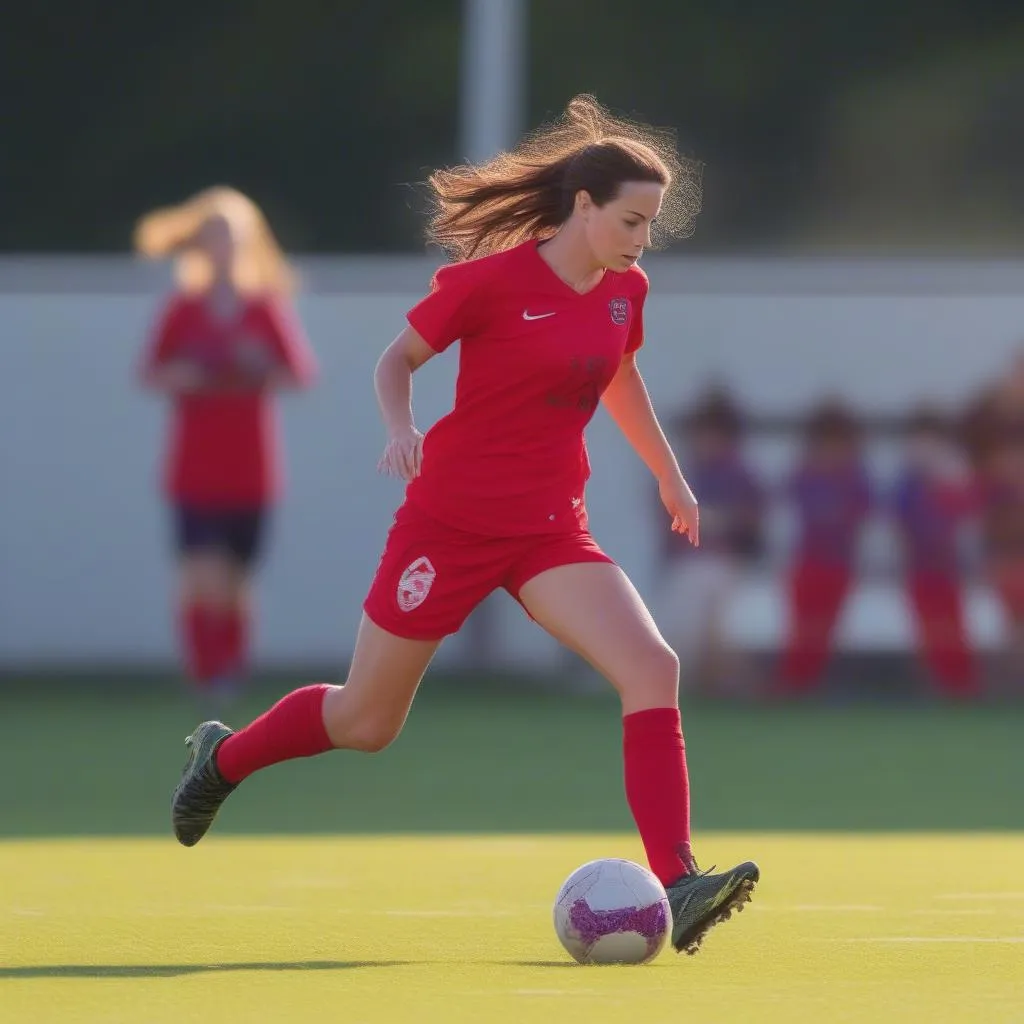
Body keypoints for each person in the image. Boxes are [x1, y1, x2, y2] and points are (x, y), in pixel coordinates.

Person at [170, 96, 759, 956]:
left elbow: (619, 378)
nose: (641, 238)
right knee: (367, 723)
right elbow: (396, 359)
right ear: (584, 206)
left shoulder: (627, 290)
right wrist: (401, 428)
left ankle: (677, 879)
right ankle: (223, 761)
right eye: (630, 219)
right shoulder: (489, 284)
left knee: (651, 665)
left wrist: (669, 472)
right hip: (447, 528)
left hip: (552, 530)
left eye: (652, 224)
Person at [137, 187, 317, 704]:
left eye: (231, 237)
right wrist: (189, 374)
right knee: (203, 576)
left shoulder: (264, 308)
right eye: (213, 237)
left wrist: (258, 363)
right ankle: (207, 673)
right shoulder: (182, 310)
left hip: (253, 469)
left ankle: (230, 672)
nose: (223, 248)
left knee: (236, 582)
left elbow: (298, 374)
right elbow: (153, 373)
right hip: (194, 467)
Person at [657, 388, 764, 695]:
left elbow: (752, 519)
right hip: (686, 562)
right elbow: (666, 517)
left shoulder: (740, 473)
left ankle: (726, 689)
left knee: (716, 632)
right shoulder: (682, 471)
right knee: (682, 629)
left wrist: (720, 520)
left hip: (725, 563)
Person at [775, 399, 872, 696]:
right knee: (801, 627)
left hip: (839, 564)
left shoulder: (855, 478)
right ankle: (793, 682)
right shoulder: (804, 474)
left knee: (826, 629)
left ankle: (813, 682)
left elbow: (862, 517)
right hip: (807, 562)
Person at [890, 405, 979, 698]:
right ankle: (937, 683)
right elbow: (899, 523)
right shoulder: (906, 480)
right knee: (926, 628)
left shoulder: (955, 477)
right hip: (919, 566)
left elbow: (965, 515)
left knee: (953, 625)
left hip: (948, 566)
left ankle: (961, 683)